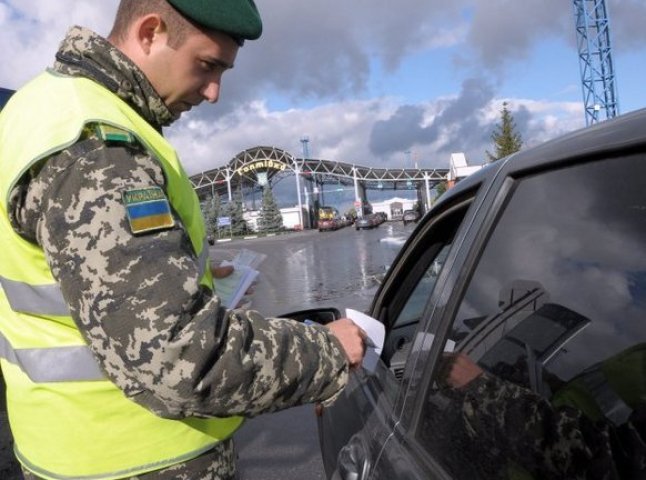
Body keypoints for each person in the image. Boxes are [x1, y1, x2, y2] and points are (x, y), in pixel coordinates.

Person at [0, 1, 367, 479]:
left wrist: (172, 268)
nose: (214, 92)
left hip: (66, 448)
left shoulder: (37, 109)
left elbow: (54, 268)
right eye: (207, 65)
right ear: (150, 32)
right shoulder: (98, 148)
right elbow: (183, 359)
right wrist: (328, 350)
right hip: (137, 461)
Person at [440, 351, 646, 479]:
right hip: (510, 462)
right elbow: (594, 401)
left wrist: (482, 387)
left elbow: (610, 464)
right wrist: (549, 380)